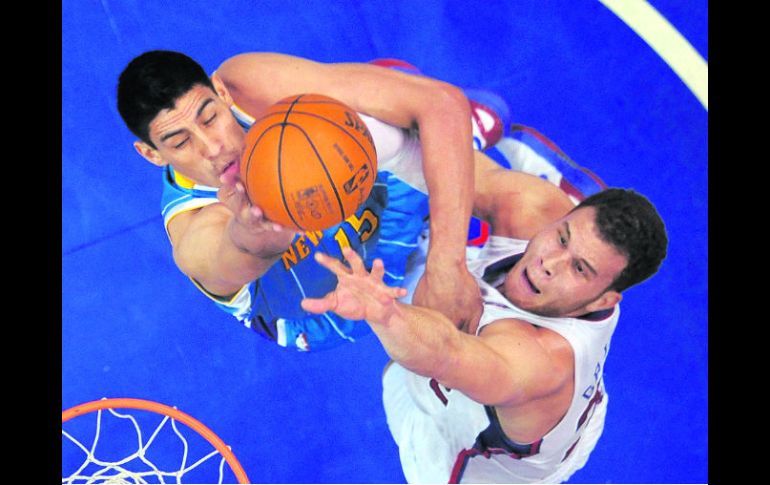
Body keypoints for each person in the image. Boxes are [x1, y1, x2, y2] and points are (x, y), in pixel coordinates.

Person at [301, 149, 668, 483]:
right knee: (446, 270)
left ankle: (423, 247)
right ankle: (428, 244)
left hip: (480, 453)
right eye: (562, 237)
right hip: (551, 426)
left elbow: (445, 352)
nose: (549, 265)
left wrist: (384, 313)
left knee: (405, 371)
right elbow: (439, 137)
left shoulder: (538, 362)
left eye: (580, 268)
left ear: (606, 299)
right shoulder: (536, 210)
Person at [116, 50, 509, 351]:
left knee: (391, 88)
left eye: (210, 118)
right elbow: (224, 255)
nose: (214, 148)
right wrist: (252, 235)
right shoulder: (193, 228)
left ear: (220, 92)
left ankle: (467, 159)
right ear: (152, 154)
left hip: (370, 212)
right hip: (327, 306)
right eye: (180, 142)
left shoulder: (246, 85)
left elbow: (438, 102)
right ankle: (461, 155)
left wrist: (447, 264)